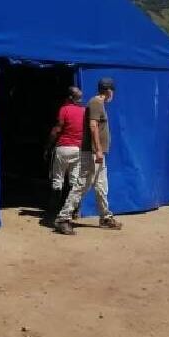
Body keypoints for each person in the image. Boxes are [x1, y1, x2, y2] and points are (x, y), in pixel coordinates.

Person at [55, 77, 123, 235]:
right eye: (112, 90)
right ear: (108, 90)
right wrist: (98, 150)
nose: (113, 94)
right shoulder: (95, 103)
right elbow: (93, 127)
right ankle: (62, 218)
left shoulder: (100, 104)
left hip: (98, 154)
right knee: (82, 185)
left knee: (101, 186)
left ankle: (105, 217)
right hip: (92, 153)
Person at [43, 86, 85, 224]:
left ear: (70, 97)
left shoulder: (64, 109)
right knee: (74, 181)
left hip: (63, 148)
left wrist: (48, 147)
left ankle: (53, 211)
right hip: (78, 150)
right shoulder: (84, 111)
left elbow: (57, 129)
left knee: (58, 180)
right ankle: (74, 211)